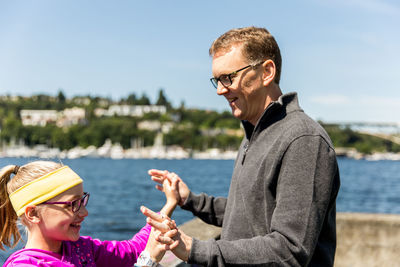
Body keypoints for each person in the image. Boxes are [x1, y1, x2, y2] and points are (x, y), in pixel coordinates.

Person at [144, 26, 341, 266]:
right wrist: (190, 200)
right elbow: (250, 214)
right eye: (217, 80)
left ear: (267, 72)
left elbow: (290, 250)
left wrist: (195, 249)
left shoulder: (303, 139)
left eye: (229, 77)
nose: (219, 90)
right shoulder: (254, 134)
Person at [0, 161, 178, 267]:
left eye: (83, 200)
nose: (85, 212)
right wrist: (149, 261)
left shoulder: (82, 249)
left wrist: (169, 204)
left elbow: (132, 250)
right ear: (33, 214)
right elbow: (143, 255)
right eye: (73, 204)